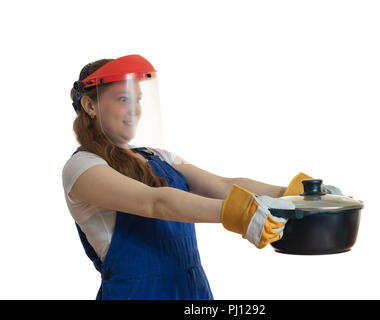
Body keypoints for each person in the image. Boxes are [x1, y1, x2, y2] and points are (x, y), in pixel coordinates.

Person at [62, 54, 341, 300]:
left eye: (137, 98)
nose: (135, 109)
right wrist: (239, 213)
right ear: (89, 105)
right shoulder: (82, 168)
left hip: (192, 290)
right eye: (123, 98)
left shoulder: (157, 156)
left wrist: (293, 195)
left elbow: (221, 184)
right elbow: (155, 203)